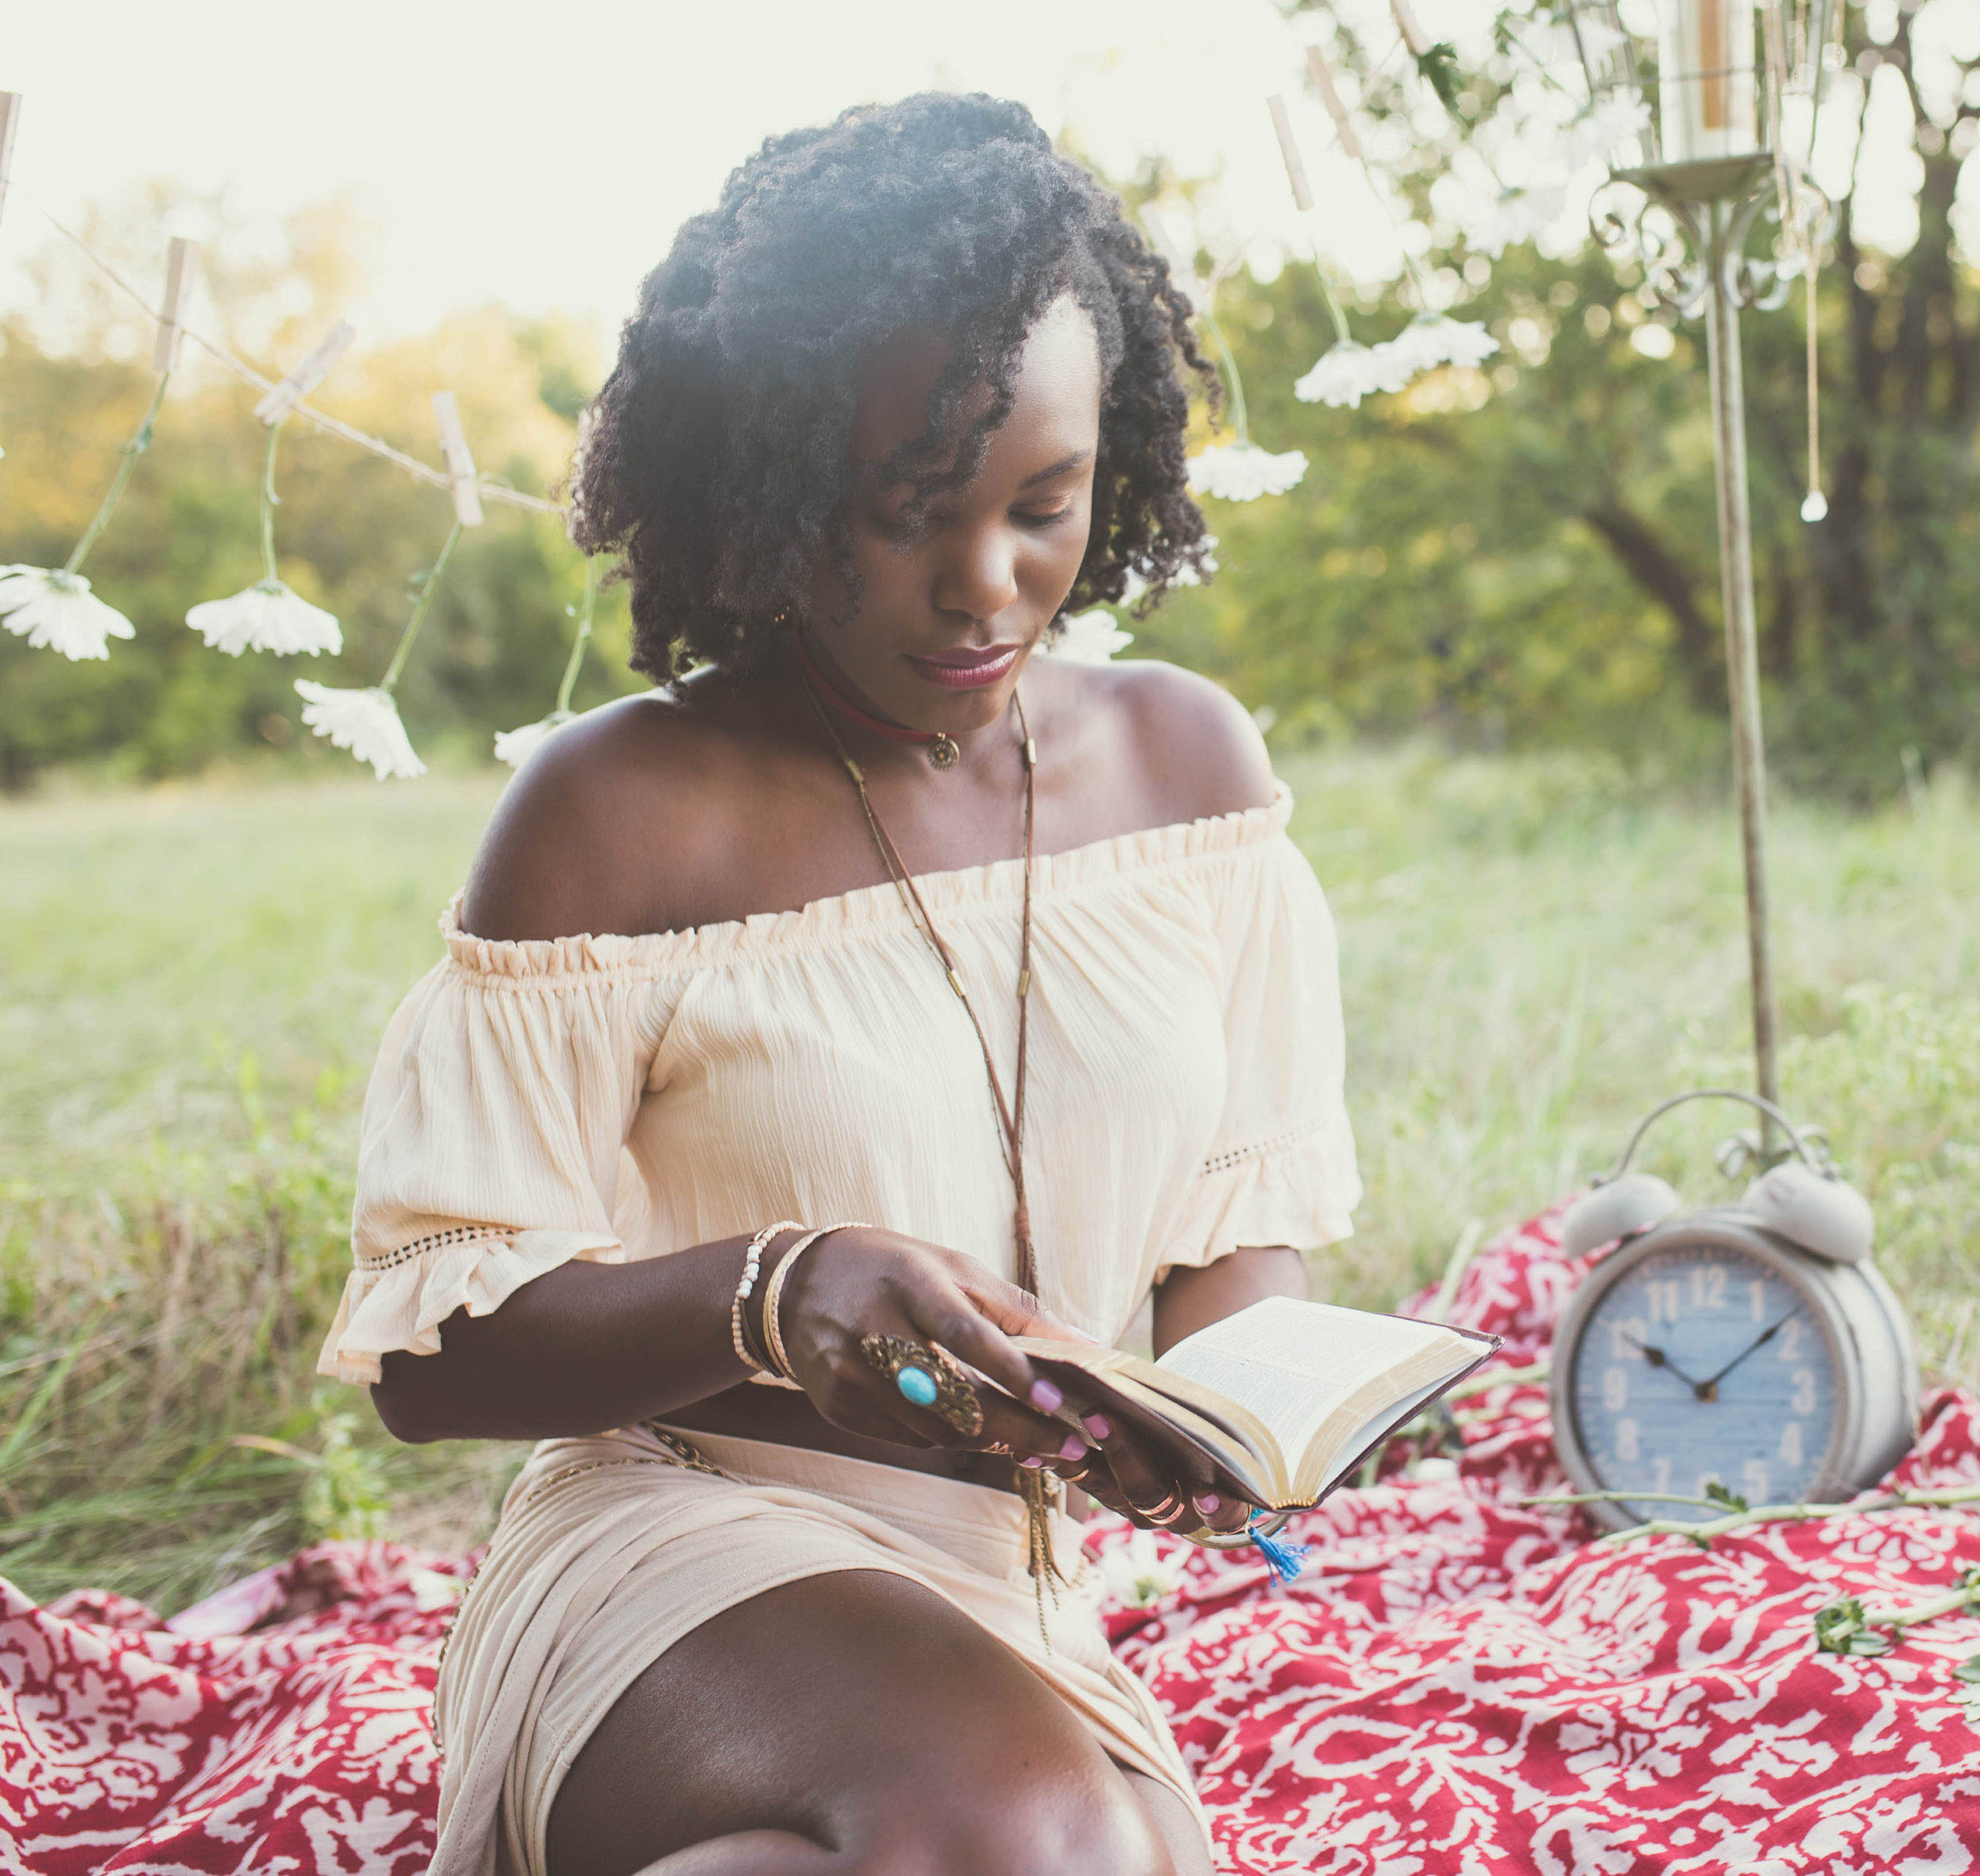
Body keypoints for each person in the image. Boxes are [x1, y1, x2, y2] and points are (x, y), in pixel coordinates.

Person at [318, 92, 1360, 1876]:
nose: (983, 583)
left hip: (1012, 1603)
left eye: (1046, 504)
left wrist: (1231, 1421)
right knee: (1034, 1836)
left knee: (1021, 1846)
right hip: (678, 1549)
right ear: (771, 488)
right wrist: (777, 1286)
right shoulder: (618, 810)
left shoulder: (1190, 779)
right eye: (902, 514)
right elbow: (435, 1354)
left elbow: (1229, 1234)